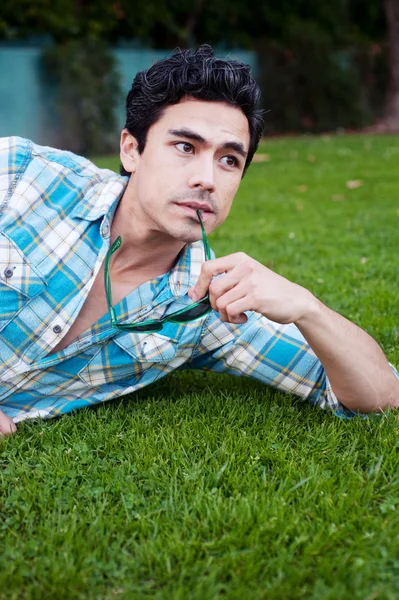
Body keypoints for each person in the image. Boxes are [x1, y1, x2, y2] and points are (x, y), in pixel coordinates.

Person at [0, 45, 398, 437]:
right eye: (185, 147)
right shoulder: (23, 174)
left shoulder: (207, 308)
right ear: (131, 149)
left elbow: (381, 396)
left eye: (229, 160)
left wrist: (307, 308)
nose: (207, 179)